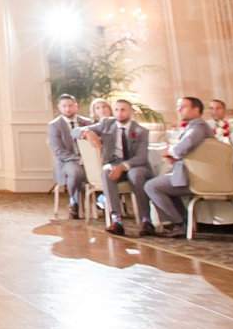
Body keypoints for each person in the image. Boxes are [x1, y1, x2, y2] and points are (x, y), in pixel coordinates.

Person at [81, 99, 155, 236]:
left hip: (136, 165)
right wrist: (87, 132)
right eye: (116, 110)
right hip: (114, 163)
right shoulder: (106, 124)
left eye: (123, 110)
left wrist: (123, 166)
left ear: (130, 112)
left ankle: (146, 221)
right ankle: (116, 220)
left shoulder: (141, 131)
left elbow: (142, 157)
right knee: (106, 172)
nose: (119, 113)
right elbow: (75, 131)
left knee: (136, 175)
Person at [143, 97, 215, 236]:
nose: (179, 110)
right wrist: (176, 158)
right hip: (194, 174)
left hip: (198, 178)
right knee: (167, 184)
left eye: (183, 107)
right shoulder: (195, 126)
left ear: (196, 109)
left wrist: (170, 152)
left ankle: (177, 223)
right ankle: (182, 222)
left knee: (151, 186)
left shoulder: (198, 126)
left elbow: (187, 142)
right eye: (178, 106)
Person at [46, 94, 90, 220]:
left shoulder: (86, 123)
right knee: (75, 172)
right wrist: (78, 159)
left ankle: (102, 201)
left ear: (76, 106)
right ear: (59, 107)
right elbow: (58, 151)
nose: (68, 109)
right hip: (66, 161)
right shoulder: (54, 125)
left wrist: (87, 159)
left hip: (88, 161)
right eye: (64, 106)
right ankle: (73, 202)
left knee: (103, 171)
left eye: (70, 106)